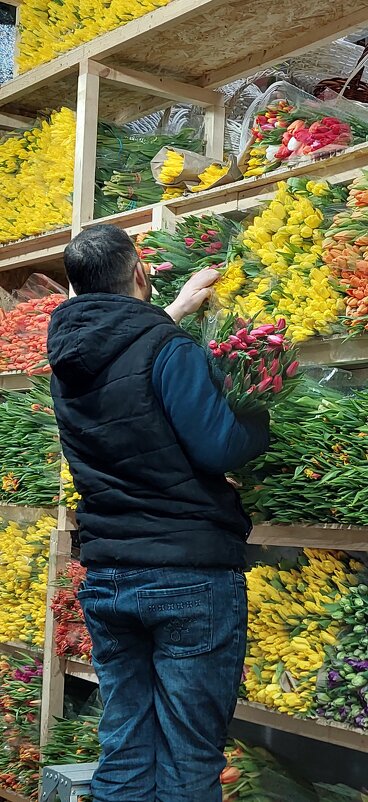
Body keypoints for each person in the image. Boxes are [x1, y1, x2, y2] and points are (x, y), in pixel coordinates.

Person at [47, 223, 269, 802]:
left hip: (109, 578)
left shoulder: (67, 361)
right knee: (189, 759)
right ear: (141, 271)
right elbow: (218, 447)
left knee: (123, 747)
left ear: (75, 289)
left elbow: (126, 370)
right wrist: (257, 415)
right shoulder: (167, 349)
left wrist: (170, 313)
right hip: (186, 573)